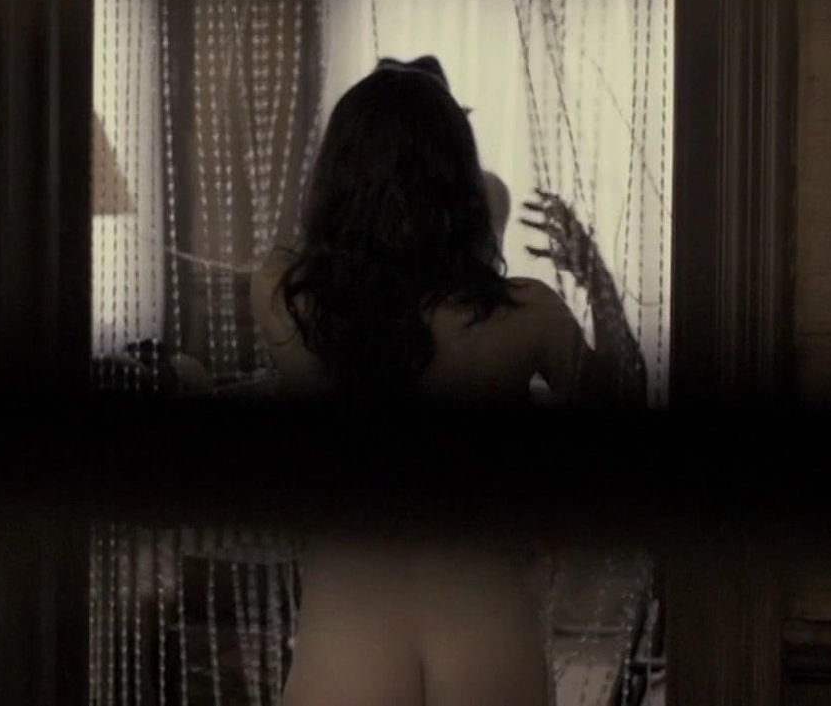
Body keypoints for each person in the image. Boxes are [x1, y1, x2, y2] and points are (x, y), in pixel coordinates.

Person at [251, 56, 641, 705]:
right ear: (463, 185)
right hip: (485, 617)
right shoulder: (526, 313)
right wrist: (595, 277)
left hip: (348, 621)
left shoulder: (285, 297)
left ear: (337, 178)